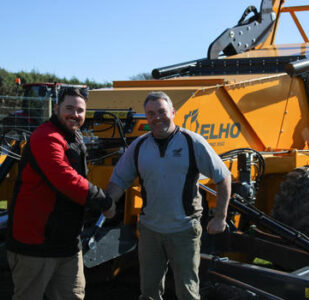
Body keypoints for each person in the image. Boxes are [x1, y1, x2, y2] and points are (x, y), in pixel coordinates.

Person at [106, 91, 231, 300]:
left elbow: (223, 176)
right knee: (149, 293)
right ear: (146, 117)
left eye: (162, 111)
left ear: (172, 112)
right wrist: (107, 203)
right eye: (151, 113)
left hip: (184, 231)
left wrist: (220, 217)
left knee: (187, 292)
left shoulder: (193, 142)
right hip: (150, 232)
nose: (157, 118)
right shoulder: (138, 147)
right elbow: (118, 181)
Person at [6, 87, 116, 300]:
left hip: (67, 244)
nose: (75, 114)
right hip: (35, 245)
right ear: (56, 108)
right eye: (69, 108)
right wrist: (104, 202)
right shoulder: (46, 136)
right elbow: (66, 179)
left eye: (80, 110)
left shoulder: (73, 136)